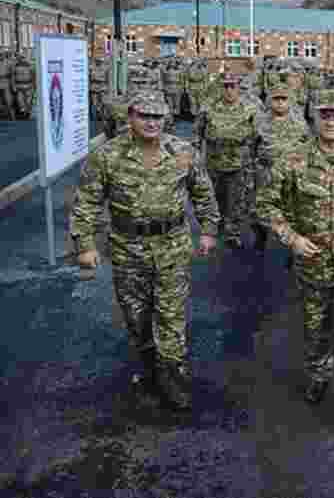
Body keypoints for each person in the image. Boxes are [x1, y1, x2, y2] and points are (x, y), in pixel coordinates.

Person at [69, 90, 220, 410]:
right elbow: (87, 201)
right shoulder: (108, 155)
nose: (152, 123)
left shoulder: (182, 151)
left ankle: (173, 378)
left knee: (171, 314)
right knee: (136, 316)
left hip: (172, 245)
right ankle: (150, 368)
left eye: (157, 116)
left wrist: (208, 229)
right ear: (130, 117)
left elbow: (203, 192)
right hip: (128, 248)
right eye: (144, 116)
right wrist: (85, 244)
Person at [255, 89, 334, 425]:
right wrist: (292, 238)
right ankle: (319, 374)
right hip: (314, 263)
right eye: (325, 114)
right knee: (317, 329)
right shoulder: (292, 160)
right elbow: (266, 205)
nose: (331, 121)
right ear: (314, 117)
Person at [194, 72, 260, 249]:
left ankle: (233, 232)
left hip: (240, 164)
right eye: (225, 86)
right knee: (212, 198)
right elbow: (197, 133)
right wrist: (195, 159)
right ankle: (214, 227)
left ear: (239, 87)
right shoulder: (208, 107)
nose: (229, 90)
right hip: (213, 163)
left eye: (233, 86)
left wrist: (256, 162)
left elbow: (259, 136)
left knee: (237, 200)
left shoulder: (251, 108)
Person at [252, 81, 312, 252]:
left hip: (290, 174)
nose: (279, 102)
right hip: (265, 172)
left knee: (291, 208)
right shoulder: (260, 121)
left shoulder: (299, 123)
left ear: (289, 100)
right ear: (270, 100)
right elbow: (251, 145)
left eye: (283, 99)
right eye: (276, 98)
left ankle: (292, 247)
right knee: (261, 207)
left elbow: (307, 147)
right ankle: (261, 236)